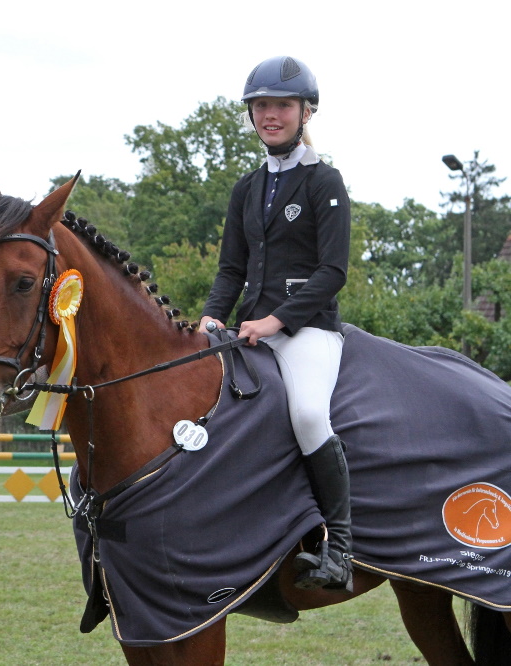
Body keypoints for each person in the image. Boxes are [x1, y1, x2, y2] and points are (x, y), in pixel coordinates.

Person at [199, 55, 353, 592]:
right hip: (249, 331)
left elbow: (332, 271)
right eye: (261, 105)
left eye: (282, 106)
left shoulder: (323, 181)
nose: (270, 115)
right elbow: (231, 269)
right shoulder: (246, 188)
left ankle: (340, 548)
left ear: (305, 112)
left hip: (308, 330)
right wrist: (213, 314)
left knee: (309, 414)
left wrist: (276, 320)